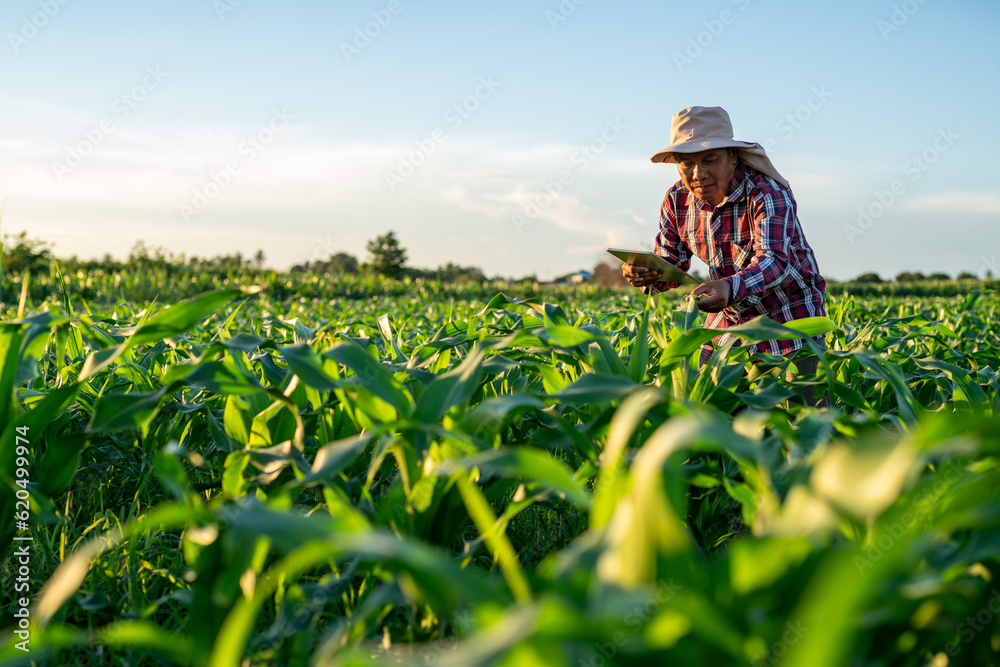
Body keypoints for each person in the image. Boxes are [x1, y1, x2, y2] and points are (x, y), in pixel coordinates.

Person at [623, 106, 827, 398]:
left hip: (789, 315)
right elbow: (670, 264)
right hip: (729, 317)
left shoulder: (765, 192)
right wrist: (645, 274)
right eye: (686, 163)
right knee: (707, 408)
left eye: (709, 160)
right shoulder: (677, 200)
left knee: (805, 423)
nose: (698, 174)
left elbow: (774, 261)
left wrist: (729, 287)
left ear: (732, 156)